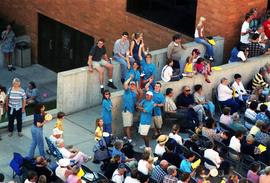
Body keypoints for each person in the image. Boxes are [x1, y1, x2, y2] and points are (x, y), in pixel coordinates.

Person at [122, 76, 139, 143]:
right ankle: (129, 139)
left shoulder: (135, 94)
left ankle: (125, 136)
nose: (132, 86)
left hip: (131, 111)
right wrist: (130, 78)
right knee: (128, 126)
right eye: (131, 84)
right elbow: (125, 84)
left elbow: (135, 101)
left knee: (126, 125)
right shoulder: (127, 91)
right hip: (127, 111)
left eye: (133, 85)